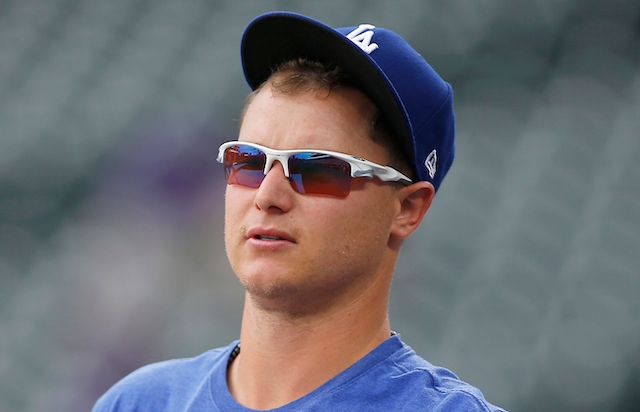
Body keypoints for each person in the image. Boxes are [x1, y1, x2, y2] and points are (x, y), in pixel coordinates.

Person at [93, 11, 506, 412]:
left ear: (408, 209)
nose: (268, 194)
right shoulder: (138, 402)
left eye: (317, 168)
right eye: (248, 161)